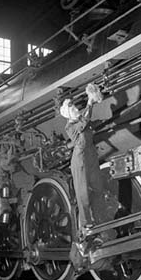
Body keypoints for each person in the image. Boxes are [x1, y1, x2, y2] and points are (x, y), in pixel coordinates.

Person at [60, 83, 105, 230]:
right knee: (83, 194)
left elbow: (86, 118)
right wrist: (90, 102)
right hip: (79, 161)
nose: (76, 109)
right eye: (72, 108)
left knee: (98, 187)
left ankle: (100, 219)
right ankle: (87, 225)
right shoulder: (70, 127)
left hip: (90, 155)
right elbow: (85, 121)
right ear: (68, 114)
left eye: (75, 107)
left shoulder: (80, 119)